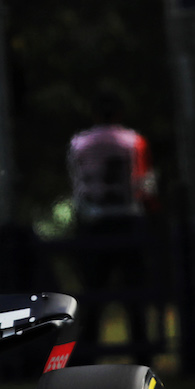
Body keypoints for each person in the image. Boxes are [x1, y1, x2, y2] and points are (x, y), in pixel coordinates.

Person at [66, 91, 159, 365]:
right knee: (135, 294)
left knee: (92, 294)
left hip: (93, 222)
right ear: (120, 114)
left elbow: (75, 183)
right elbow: (146, 183)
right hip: (128, 220)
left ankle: (87, 357)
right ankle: (142, 356)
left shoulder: (79, 142)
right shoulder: (134, 141)